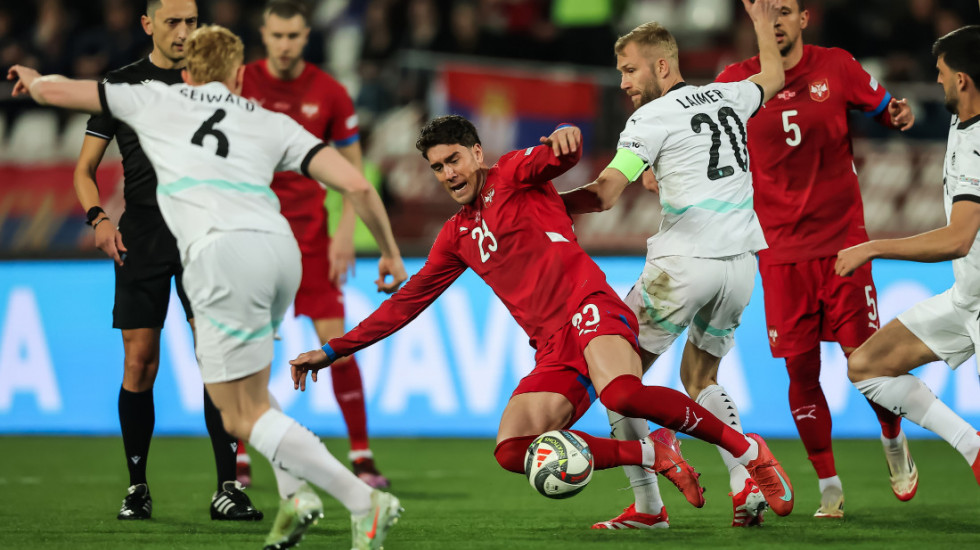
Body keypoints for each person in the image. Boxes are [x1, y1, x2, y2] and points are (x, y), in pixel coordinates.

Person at [290, 113, 796, 529]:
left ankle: (748, 451)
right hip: (553, 346)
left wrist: (565, 141)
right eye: (437, 167)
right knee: (512, 449)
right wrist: (334, 349)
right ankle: (651, 453)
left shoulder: (511, 173)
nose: (448, 173)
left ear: (477, 155)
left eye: (454, 159)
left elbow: (558, 157)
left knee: (620, 393)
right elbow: (407, 302)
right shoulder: (455, 236)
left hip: (590, 305)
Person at [9, 24, 408, 550]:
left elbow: (61, 91)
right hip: (281, 256)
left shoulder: (157, 101)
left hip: (222, 258)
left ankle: (364, 502)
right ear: (242, 74)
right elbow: (356, 183)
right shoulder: (272, 121)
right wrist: (390, 251)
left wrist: (35, 80)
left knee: (239, 410)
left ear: (190, 74)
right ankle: (295, 498)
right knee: (253, 394)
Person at [558, 0, 791, 528]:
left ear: (662, 66)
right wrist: (759, 25)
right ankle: (743, 482)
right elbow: (774, 72)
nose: (622, 82)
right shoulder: (731, 93)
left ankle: (648, 506)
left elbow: (604, 194)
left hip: (684, 266)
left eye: (630, 69)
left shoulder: (651, 117)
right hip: (739, 267)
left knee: (613, 375)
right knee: (700, 374)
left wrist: (543, 203)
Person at [714, 0, 917, 518]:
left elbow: (883, 104)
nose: (775, 20)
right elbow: (704, 144)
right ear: (751, 19)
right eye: (765, 11)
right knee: (801, 373)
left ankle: (893, 437)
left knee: (864, 361)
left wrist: (896, 111)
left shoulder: (837, 67)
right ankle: (829, 485)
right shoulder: (735, 83)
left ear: (805, 18)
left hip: (843, 244)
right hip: (780, 254)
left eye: (784, 10)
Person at [71, 0, 261, 521]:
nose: (183, 31)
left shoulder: (215, 81)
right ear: (147, 24)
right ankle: (137, 487)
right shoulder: (121, 86)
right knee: (140, 363)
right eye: (173, 21)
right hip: (144, 239)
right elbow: (85, 169)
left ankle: (228, 485)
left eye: (191, 22)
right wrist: (98, 219)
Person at [240, 0, 389, 489]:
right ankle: (239, 459)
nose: (285, 45)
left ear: (307, 37)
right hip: (253, 235)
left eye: (294, 36)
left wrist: (345, 229)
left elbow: (352, 169)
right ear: (265, 34)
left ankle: (362, 457)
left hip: (310, 240)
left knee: (337, 345)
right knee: (248, 349)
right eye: (277, 35)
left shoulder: (329, 92)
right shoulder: (238, 82)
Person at [835, 24, 980, 491]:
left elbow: (958, 239)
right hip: (966, 300)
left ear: (962, 79)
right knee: (868, 366)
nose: (935, 81)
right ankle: (973, 447)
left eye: (941, 72)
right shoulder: (962, 123)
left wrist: (874, 245)